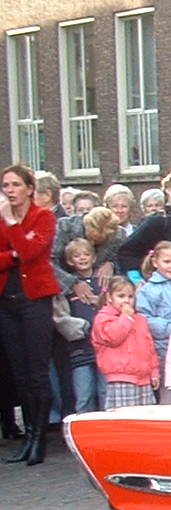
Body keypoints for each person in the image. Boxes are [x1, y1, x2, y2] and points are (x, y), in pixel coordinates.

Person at [0, 164, 63, 465]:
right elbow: (14, 253)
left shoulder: (43, 217)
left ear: (29, 188)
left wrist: (13, 225)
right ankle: (27, 436)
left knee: (37, 372)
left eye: (15, 184)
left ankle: (39, 439)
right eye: (6, 185)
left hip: (35, 301)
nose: (10, 190)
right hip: (6, 301)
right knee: (20, 373)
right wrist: (13, 253)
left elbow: (29, 252)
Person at [92, 277, 158, 408]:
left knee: (144, 415)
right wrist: (126, 318)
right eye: (121, 296)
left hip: (143, 379)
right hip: (120, 378)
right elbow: (112, 337)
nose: (127, 300)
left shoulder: (140, 319)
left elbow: (149, 347)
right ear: (109, 297)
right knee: (124, 415)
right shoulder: (103, 318)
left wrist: (154, 372)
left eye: (130, 296)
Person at [55, 237, 103, 415]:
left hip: (105, 349)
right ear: (69, 261)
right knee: (84, 395)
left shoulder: (104, 282)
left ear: (94, 257)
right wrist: (83, 328)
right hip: (80, 349)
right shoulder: (67, 288)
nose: (82, 258)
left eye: (86, 254)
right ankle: (82, 426)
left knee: (105, 392)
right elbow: (61, 317)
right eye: (77, 255)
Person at [136, 240, 171, 376]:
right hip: (163, 349)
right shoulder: (148, 289)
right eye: (167, 262)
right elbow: (144, 318)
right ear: (155, 262)